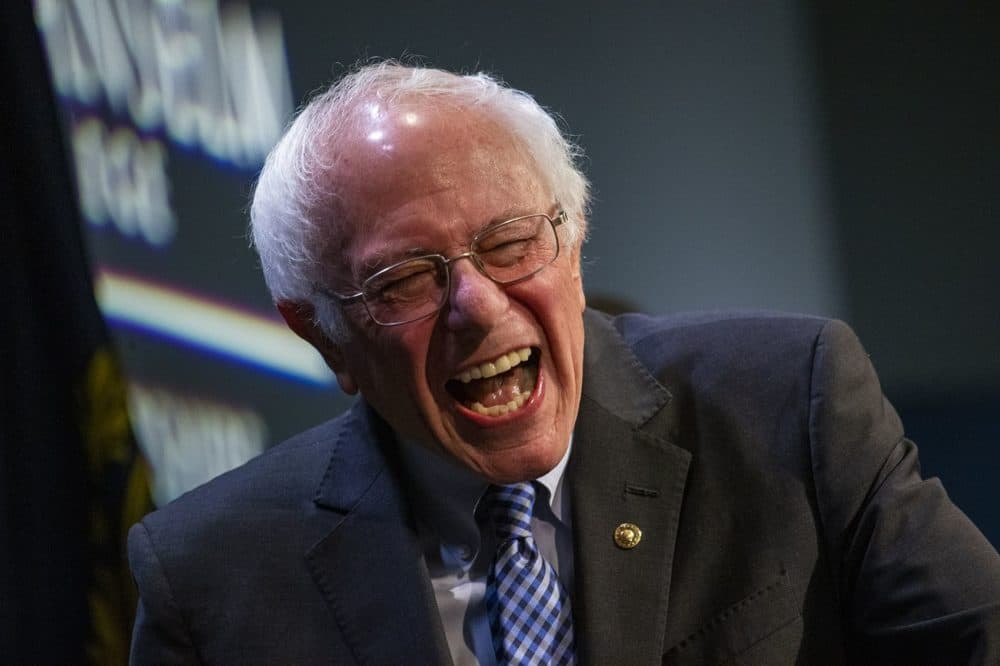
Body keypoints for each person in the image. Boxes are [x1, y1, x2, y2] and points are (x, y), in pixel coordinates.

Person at [127, 61, 1000, 665]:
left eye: (509, 244)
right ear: (321, 335)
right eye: (404, 282)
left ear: (573, 242)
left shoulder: (786, 402)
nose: (477, 305)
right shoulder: (213, 575)